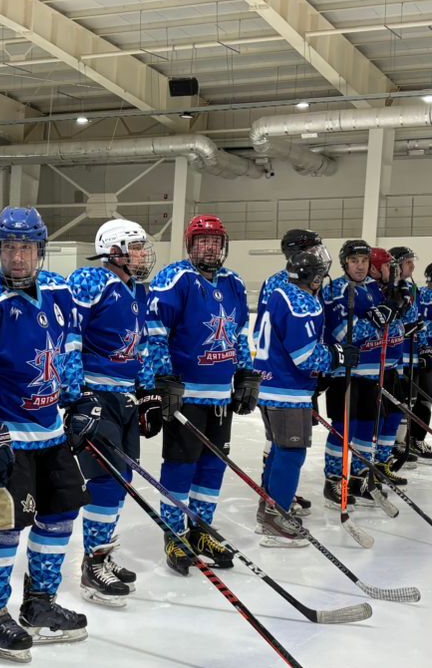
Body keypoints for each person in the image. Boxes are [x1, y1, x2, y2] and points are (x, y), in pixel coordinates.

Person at [0, 206, 96, 663]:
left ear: (40, 251)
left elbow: (67, 351)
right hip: (3, 437)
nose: (18, 257)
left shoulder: (59, 292)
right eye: (9, 247)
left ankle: (39, 603)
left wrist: (78, 398)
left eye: (27, 247)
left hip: (50, 432)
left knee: (59, 518)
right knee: (3, 531)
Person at [145, 214, 254, 576]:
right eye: (201, 242)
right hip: (188, 394)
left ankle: (200, 529)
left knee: (212, 465)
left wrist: (246, 372)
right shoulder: (175, 278)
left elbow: (239, 333)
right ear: (190, 246)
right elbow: (155, 331)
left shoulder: (234, 282)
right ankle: (174, 533)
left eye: (215, 241)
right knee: (180, 465)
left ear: (223, 246)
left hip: (220, 395)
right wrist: (164, 377)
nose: (209, 247)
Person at [65, 219, 159, 606]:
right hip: (96, 394)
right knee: (104, 480)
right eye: (134, 247)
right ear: (114, 250)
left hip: (125, 397)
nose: (142, 254)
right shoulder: (92, 280)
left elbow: (143, 347)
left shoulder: (136, 289)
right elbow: (67, 336)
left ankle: (102, 550)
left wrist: (149, 390)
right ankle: (93, 564)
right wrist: (75, 395)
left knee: (122, 479)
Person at [254, 231, 344, 546]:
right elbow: (306, 355)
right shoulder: (298, 299)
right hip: (286, 389)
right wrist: (337, 357)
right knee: (291, 453)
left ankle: (269, 510)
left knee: (280, 451)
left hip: (272, 386)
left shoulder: (282, 290)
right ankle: (275, 519)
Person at [319, 239, 392, 508]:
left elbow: (388, 328)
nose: (360, 266)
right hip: (344, 371)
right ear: (344, 263)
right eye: (354, 261)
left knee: (364, 429)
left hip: (372, 371)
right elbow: (341, 333)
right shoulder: (335, 290)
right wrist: (374, 321)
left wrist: (395, 311)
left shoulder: (374, 289)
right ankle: (334, 481)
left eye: (364, 261)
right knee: (342, 429)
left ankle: (361, 477)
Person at [367, 247, 415, 484]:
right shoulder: (370, 291)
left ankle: (382, 463)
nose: (393, 269)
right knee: (372, 423)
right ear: (375, 269)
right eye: (388, 265)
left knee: (395, 414)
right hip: (375, 368)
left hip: (394, 365)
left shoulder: (393, 288)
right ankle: (363, 469)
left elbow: (402, 317)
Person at [397, 260, 432, 464]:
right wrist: (427, 348)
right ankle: (407, 441)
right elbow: (422, 325)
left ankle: (412, 439)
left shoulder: (429, 296)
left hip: (421, 355)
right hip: (415, 355)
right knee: (417, 398)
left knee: (424, 396)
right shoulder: (430, 298)